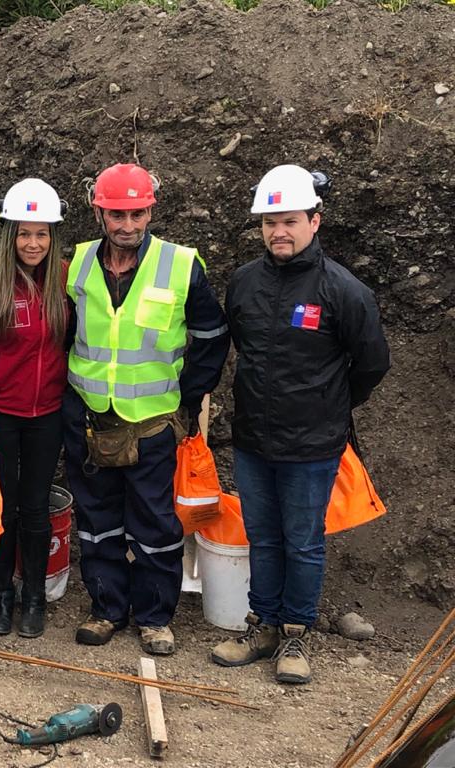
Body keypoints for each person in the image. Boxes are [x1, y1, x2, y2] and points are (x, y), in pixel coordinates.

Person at [211, 164, 390, 684]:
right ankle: (263, 624)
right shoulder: (244, 282)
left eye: (288, 220)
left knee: (304, 540)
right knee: (263, 537)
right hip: (253, 438)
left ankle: (295, 633)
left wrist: (331, 406)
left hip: (313, 445)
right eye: (269, 222)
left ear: (315, 220)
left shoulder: (343, 290)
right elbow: (242, 349)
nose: (277, 232)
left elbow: (372, 363)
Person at [64, 163, 230, 654]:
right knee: (97, 522)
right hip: (91, 420)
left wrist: (190, 399)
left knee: (156, 526)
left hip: (155, 424)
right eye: (117, 214)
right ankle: (107, 608)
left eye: (136, 213)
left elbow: (211, 337)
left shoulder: (181, 266)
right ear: (99, 212)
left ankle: (155, 616)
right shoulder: (74, 264)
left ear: (150, 211)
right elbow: (59, 334)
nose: (127, 225)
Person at [0, 178, 69, 638]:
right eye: (24, 233)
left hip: (48, 415)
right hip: (0, 419)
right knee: (0, 511)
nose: (33, 243)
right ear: (9, 234)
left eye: (42, 233)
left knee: (36, 511)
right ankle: (1, 597)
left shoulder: (66, 278)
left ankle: (34, 599)